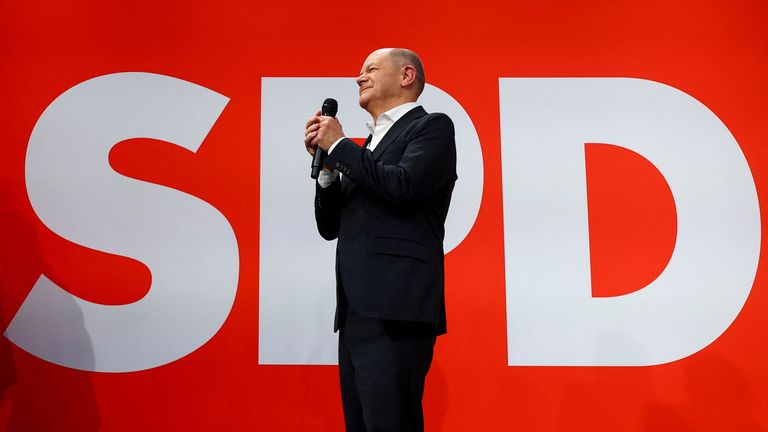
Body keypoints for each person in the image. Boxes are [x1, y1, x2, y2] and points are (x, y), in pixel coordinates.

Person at [304, 47, 457, 432]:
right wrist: (327, 169)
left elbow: (403, 186)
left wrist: (340, 147)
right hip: (356, 312)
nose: (360, 77)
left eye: (371, 68)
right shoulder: (368, 147)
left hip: (396, 309)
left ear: (407, 77)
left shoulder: (432, 127)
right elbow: (330, 225)